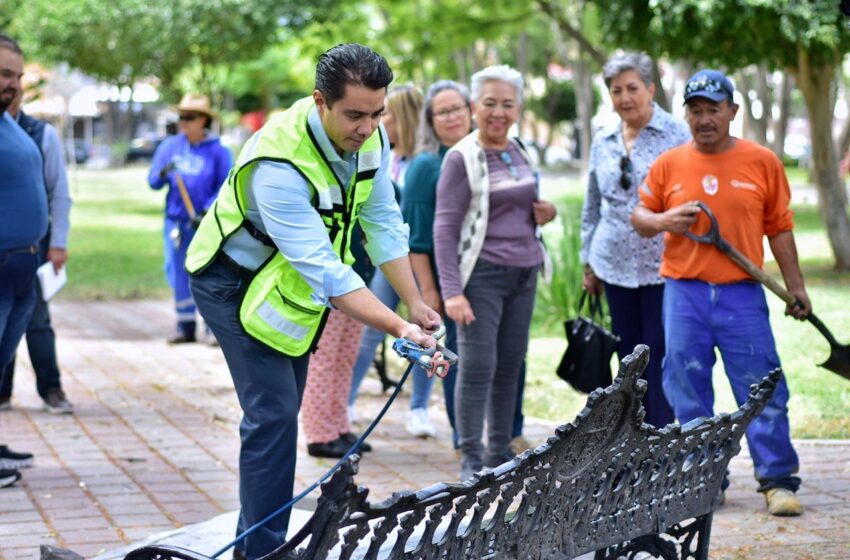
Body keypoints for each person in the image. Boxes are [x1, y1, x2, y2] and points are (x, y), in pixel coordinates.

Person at [185, 44, 446, 559]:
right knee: (274, 414)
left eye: (377, 113)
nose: (367, 127)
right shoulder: (276, 163)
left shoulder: (367, 137)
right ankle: (262, 551)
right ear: (320, 101)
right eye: (354, 114)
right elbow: (324, 270)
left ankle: (256, 538)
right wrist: (399, 328)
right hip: (230, 282)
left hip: (286, 281)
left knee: (281, 412)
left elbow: (382, 221)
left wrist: (414, 302)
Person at [631, 69, 809, 517]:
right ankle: (702, 479)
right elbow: (640, 216)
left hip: (742, 295)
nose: (705, 118)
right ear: (686, 114)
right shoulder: (670, 163)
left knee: (762, 384)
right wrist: (665, 220)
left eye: (714, 109)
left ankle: (777, 480)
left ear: (732, 111)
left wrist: (796, 287)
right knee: (686, 387)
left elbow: (780, 228)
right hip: (684, 292)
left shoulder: (762, 161)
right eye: (696, 110)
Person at [433, 65, 556, 481]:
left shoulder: (521, 148)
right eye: (490, 103)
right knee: (478, 365)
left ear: (518, 108)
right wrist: (452, 292)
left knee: (510, 365)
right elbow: (445, 228)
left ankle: (498, 452)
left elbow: (527, 205)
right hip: (481, 276)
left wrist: (546, 212)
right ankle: (471, 456)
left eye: (507, 104)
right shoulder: (461, 157)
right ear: (474, 107)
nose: (498, 112)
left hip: (525, 273)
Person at [580, 52, 690, 427]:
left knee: (658, 349)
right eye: (616, 90)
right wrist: (587, 261)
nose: (625, 97)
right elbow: (592, 203)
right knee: (626, 353)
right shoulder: (604, 138)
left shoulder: (677, 134)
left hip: (665, 261)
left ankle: (660, 433)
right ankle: (630, 436)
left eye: (632, 88)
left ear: (651, 89)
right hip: (613, 262)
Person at [346, 85, 436, 437]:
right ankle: (347, 402)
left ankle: (419, 408)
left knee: (424, 334)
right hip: (387, 259)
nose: (380, 124)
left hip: (415, 258)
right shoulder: (386, 156)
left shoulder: (424, 162)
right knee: (371, 328)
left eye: (386, 115)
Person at [401, 80, 472, 446]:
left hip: (486, 275)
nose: (452, 117)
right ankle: (463, 436)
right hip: (445, 281)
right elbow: (414, 239)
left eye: (457, 107)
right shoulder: (426, 165)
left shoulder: (483, 154)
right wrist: (429, 291)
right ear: (430, 119)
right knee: (456, 358)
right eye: (442, 111)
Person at [0, 87, 74, 415]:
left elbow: (59, 191)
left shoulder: (40, 134)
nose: (10, 90)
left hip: (33, 246)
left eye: (15, 80)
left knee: (36, 319)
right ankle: (3, 392)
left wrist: (58, 242)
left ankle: (51, 388)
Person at [148, 93, 231, 344]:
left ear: (204, 120)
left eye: (190, 117)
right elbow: (153, 182)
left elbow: (226, 187)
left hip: (205, 225)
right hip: (177, 224)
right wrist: (164, 171)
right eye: (181, 117)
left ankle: (211, 327)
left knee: (207, 273)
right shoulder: (170, 147)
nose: (184, 122)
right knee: (176, 272)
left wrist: (206, 210)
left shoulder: (218, 152)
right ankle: (184, 325)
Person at [0, 34, 44, 488]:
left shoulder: (9, 123)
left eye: (16, 75)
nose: (13, 84)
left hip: (21, 268)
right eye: (3, 74)